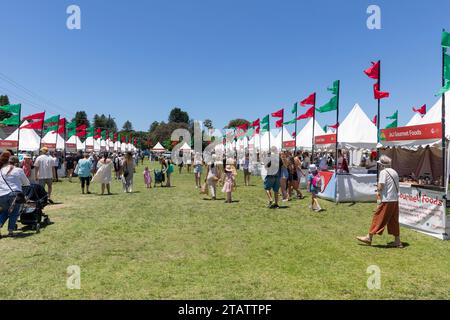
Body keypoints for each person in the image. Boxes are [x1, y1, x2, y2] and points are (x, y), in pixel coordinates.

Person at [357, 155, 403, 248]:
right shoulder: (394, 172)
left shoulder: (383, 172)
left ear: (382, 164)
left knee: (378, 217)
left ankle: (369, 237)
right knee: (393, 220)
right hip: (394, 199)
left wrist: (377, 189)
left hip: (387, 199)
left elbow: (381, 186)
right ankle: (397, 241)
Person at [0, 152, 30, 238]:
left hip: (1, 195)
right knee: (14, 213)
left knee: (5, 211)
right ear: (17, 163)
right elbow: (26, 183)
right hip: (14, 195)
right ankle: (10, 231)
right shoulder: (19, 170)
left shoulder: (1, 170)